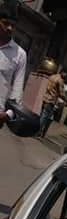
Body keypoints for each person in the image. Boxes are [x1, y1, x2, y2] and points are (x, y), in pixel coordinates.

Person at [0, 0, 27, 129]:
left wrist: (8, 114)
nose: (10, 28)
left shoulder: (20, 55)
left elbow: (17, 92)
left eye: (13, 25)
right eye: (5, 23)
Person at [39, 67, 67, 137]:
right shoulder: (60, 80)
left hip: (45, 98)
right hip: (51, 100)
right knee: (44, 117)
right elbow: (62, 94)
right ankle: (37, 131)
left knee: (41, 115)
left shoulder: (52, 76)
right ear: (63, 72)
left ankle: (37, 130)